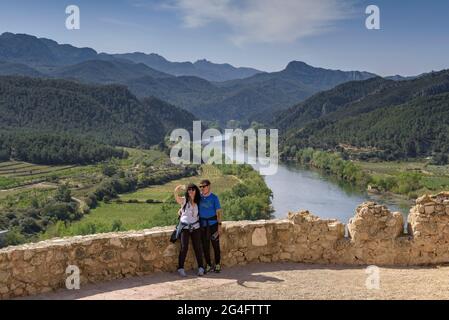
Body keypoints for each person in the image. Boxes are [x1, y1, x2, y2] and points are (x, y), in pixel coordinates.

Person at [174, 183, 205, 277]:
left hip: (196, 227)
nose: (191, 191)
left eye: (193, 189)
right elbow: (176, 196)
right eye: (189, 189)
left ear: (196, 191)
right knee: (184, 248)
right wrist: (178, 188)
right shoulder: (184, 200)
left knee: (198, 247)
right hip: (185, 227)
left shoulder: (199, 201)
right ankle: (180, 268)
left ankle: (201, 268)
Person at [198, 179, 223, 273]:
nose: (202, 188)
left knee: (215, 245)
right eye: (200, 187)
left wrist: (219, 225)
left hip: (213, 225)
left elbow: (218, 212)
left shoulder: (214, 198)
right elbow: (189, 202)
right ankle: (208, 265)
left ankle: (217, 264)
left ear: (209, 186)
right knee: (205, 246)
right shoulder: (199, 197)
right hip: (202, 226)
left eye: (203, 186)